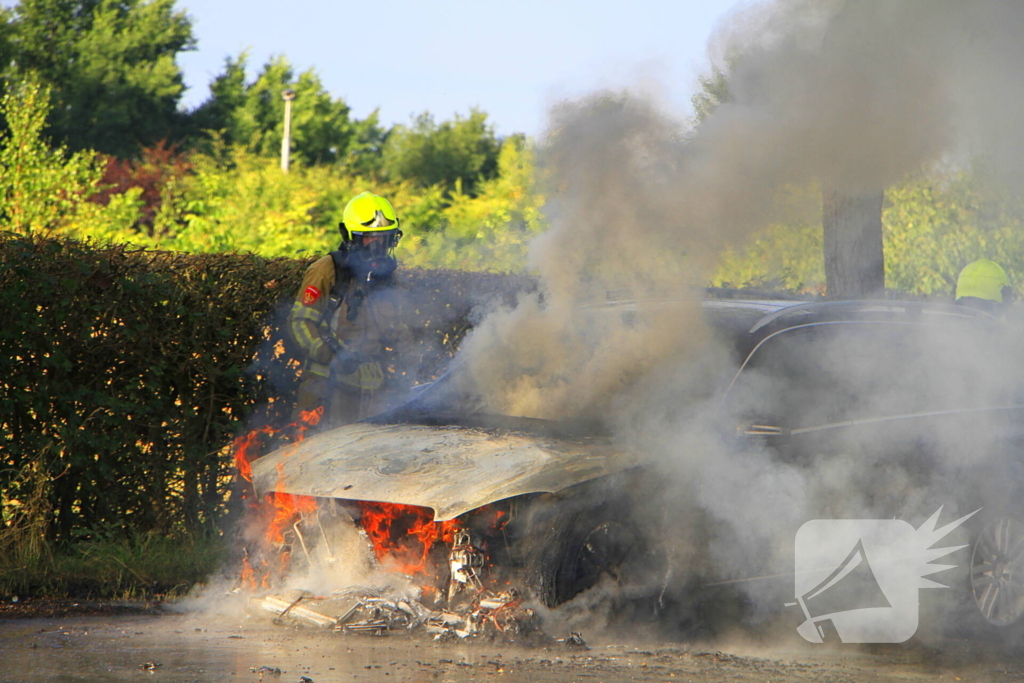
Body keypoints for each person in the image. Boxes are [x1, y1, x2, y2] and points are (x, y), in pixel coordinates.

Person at [287, 192, 410, 426]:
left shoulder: (389, 279)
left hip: (373, 394)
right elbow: (300, 322)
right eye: (369, 238)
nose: (377, 247)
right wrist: (332, 355)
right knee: (320, 447)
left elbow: (397, 329)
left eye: (384, 239)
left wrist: (409, 351)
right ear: (349, 236)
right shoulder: (327, 270)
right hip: (325, 390)